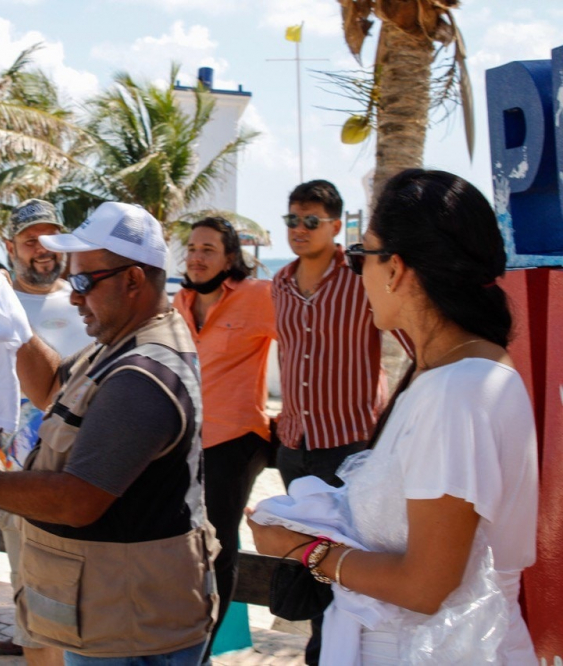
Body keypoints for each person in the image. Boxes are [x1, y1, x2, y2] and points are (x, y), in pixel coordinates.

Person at [248, 169, 538, 664]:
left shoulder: (455, 392)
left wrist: (304, 550)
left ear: (397, 269)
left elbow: (425, 585)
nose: (357, 273)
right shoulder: (459, 371)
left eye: (362, 257)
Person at [0, 202, 217, 665]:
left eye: (83, 282)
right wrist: (12, 325)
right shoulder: (117, 347)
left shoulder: (143, 374)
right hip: (110, 613)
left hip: (132, 628)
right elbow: (53, 388)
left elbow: (77, 500)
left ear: (133, 280)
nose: (73, 297)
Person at [272, 179, 410, 664]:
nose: (300, 230)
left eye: (311, 221)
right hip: (295, 447)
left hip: (349, 447)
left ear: (335, 225)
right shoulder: (280, 283)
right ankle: (320, 654)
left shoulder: (359, 279)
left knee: (348, 566)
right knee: (308, 562)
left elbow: (412, 339)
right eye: (293, 219)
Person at [0, 199, 93, 660]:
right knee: (34, 597)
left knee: (90, 594)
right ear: (10, 246)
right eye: (32, 241)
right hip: (17, 475)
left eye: (51, 239)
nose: (43, 250)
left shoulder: (86, 297)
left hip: (86, 471)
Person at [172, 216, 276, 660]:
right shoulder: (177, 301)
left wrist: (298, 411)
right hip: (183, 439)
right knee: (180, 539)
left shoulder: (258, 297)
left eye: (208, 249)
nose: (196, 257)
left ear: (230, 258)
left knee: (219, 543)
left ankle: (205, 649)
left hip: (235, 437)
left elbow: (304, 339)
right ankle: (183, 635)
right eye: (192, 248)